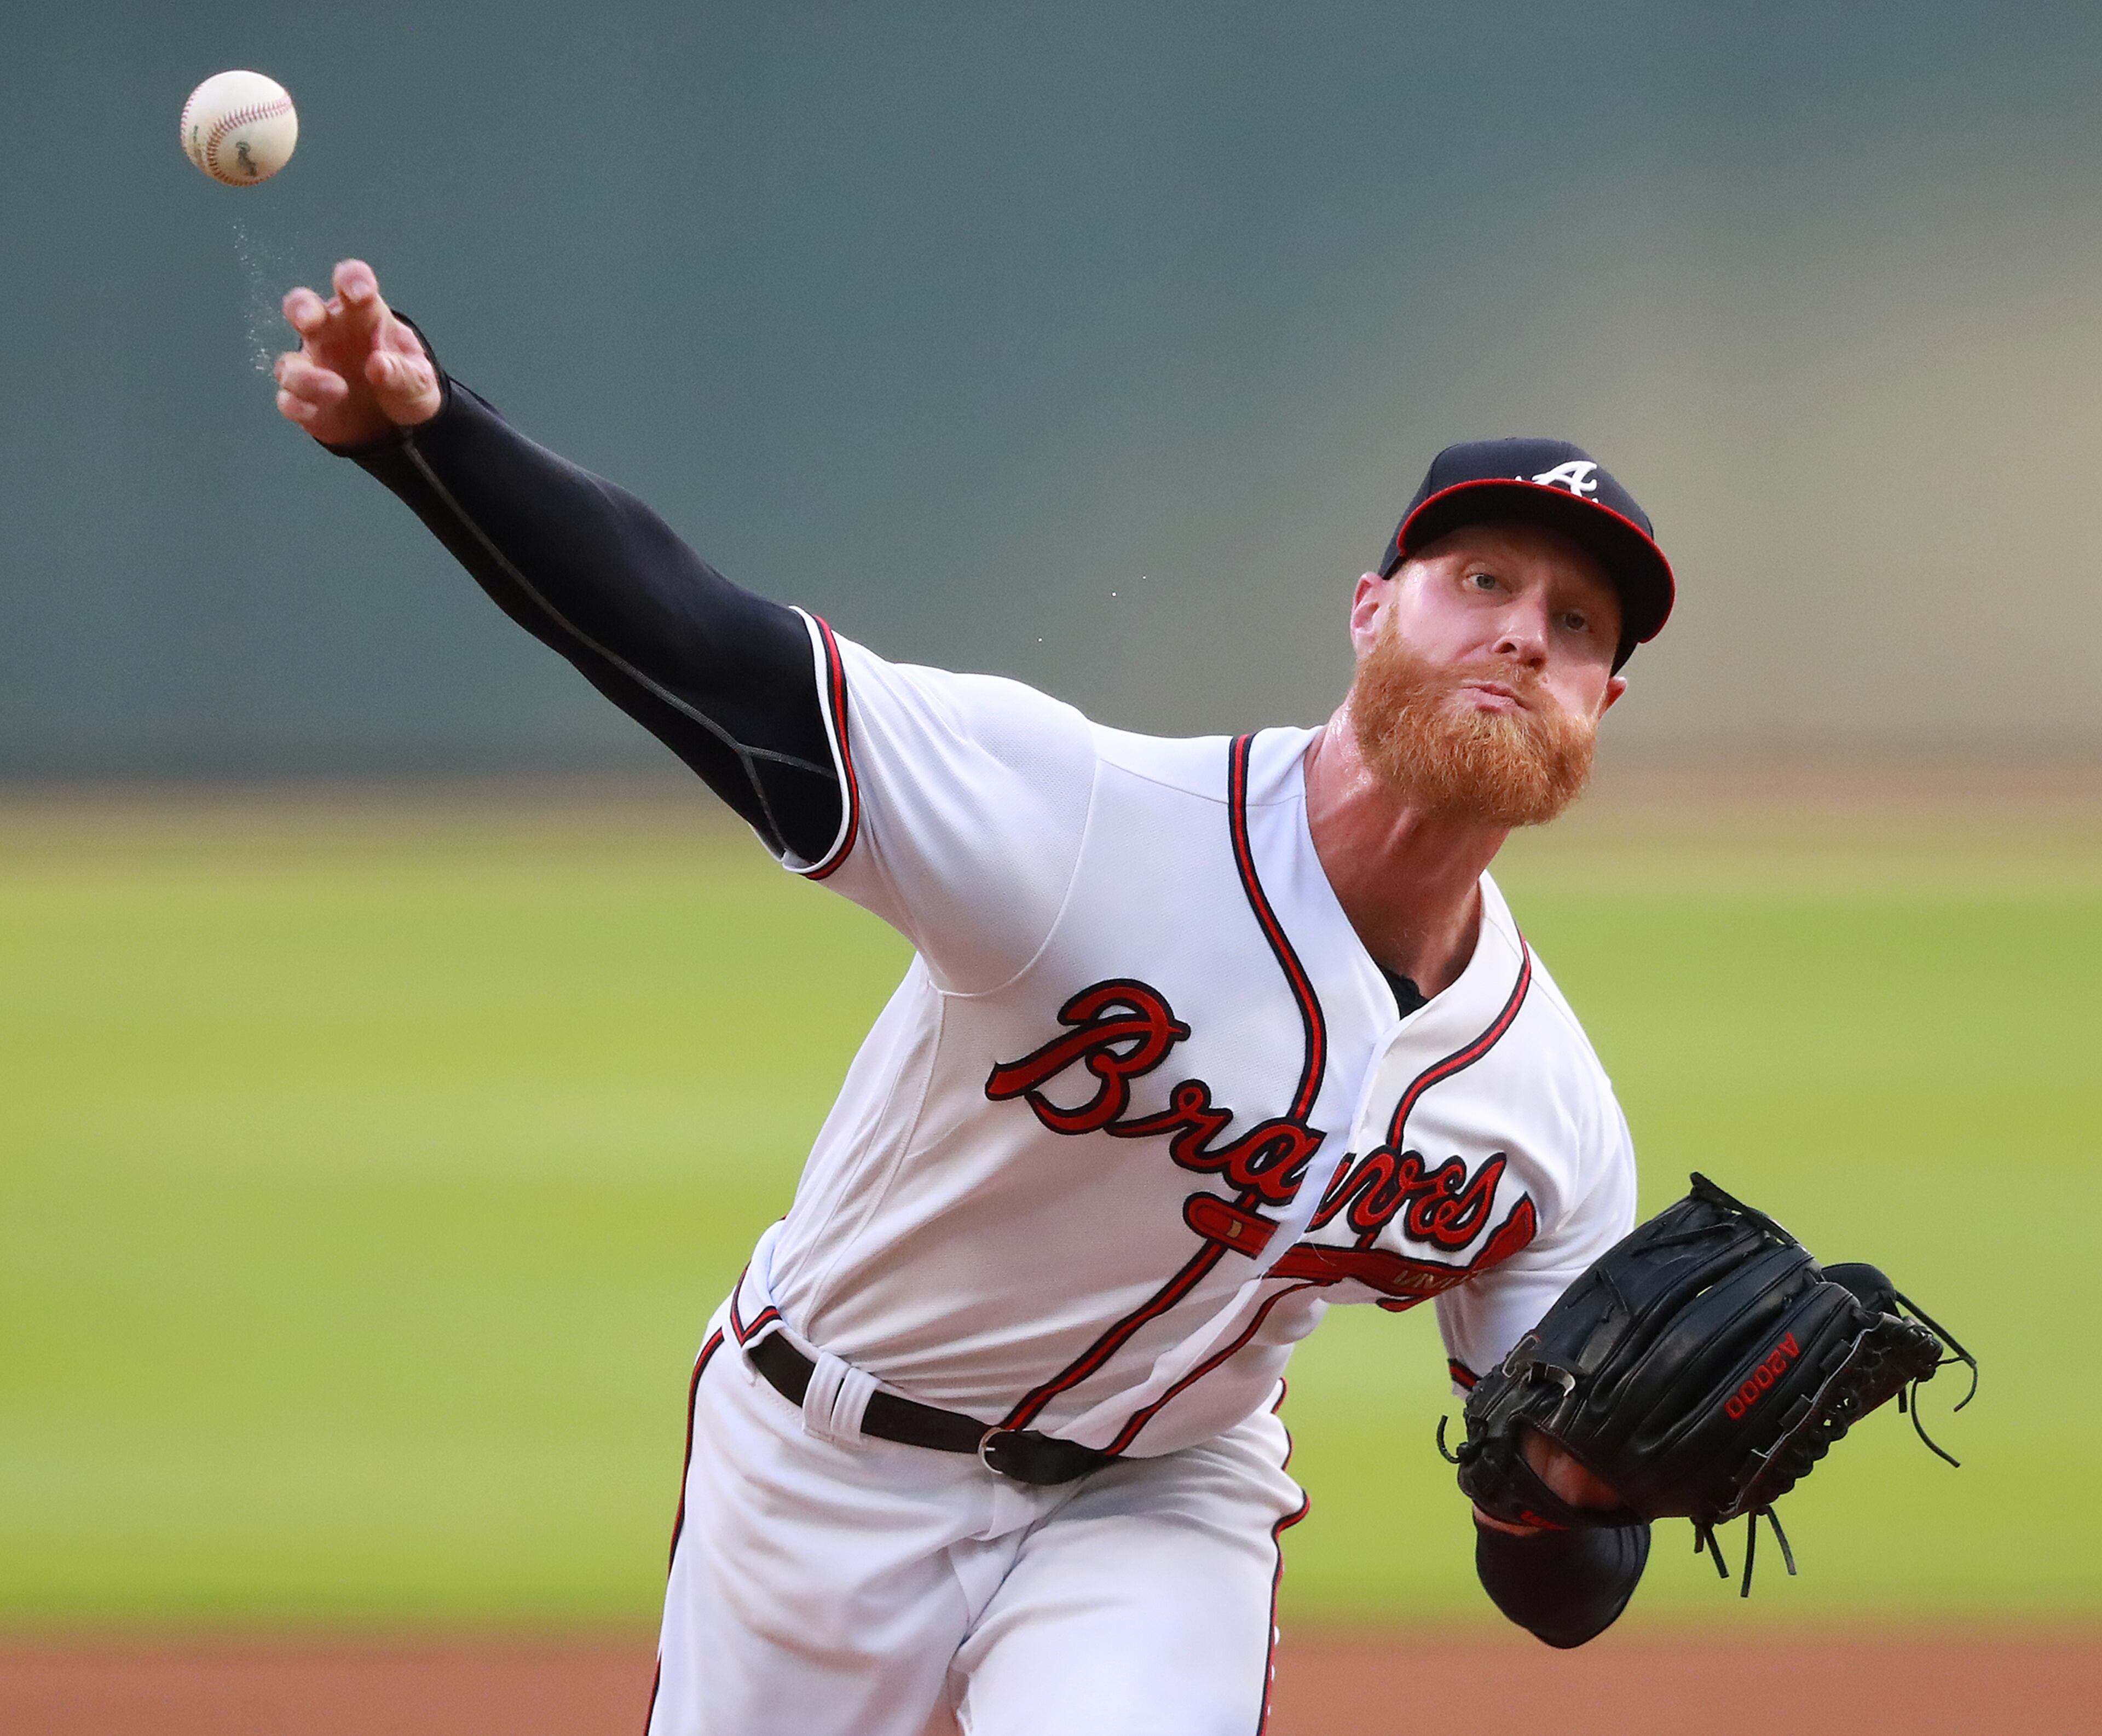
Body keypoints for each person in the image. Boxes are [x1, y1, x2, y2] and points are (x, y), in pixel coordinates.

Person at [272, 259, 1669, 1736]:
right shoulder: (1083, 818)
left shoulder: (1551, 1121)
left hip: (1161, 1504)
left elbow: (1557, 1586)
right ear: (1374, 610)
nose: (1527, 633)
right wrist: (431, 440)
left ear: (1605, 708)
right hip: (825, 1457)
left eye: (1581, 625)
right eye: (1486, 584)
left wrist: (1591, 1488)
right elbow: (705, 642)